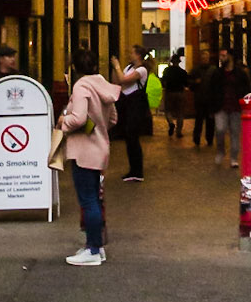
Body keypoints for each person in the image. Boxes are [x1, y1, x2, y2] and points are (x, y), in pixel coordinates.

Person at [58, 45, 122, 266]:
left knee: (88, 201)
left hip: (84, 151)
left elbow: (78, 118)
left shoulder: (81, 86)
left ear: (75, 67)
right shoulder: (104, 85)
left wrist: (63, 122)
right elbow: (113, 119)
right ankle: (96, 247)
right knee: (94, 197)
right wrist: (97, 127)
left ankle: (93, 250)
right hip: (101, 148)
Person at [114, 44, 152, 181]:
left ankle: (137, 171)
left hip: (136, 104)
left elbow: (124, 80)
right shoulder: (129, 67)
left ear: (138, 55)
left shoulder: (142, 70)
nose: (129, 55)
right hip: (126, 103)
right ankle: (133, 169)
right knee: (128, 136)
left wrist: (117, 66)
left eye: (132, 53)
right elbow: (119, 80)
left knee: (133, 135)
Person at [212, 48, 250, 168]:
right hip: (221, 106)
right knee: (220, 130)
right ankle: (220, 151)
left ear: (230, 57)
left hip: (235, 107)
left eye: (224, 55)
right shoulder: (218, 73)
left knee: (235, 133)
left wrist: (244, 102)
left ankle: (234, 157)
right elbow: (211, 90)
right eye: (220, 56)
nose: (221, 58)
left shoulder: (240, 73)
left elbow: (247, 88)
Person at [161, 49, 189, 135]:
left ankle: (171, 123)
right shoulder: (183, 72)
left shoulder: (167, 70)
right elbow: (186, 83)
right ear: (179, 62)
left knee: (168, 111)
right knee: (180, 113)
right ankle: (179, 132)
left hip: (169, 93)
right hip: (180, 93)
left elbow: (163, 82)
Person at [191, 54, 216, 148]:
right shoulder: (196, 70)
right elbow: (190, 84)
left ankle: (209, 139)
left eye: (206, 58)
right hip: (199, 99)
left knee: (210, 121)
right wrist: (195, 83)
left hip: (210, 100)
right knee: (199, 120)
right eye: (203, 58)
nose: (204, 60)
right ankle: (196, 138)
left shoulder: (213, 70)